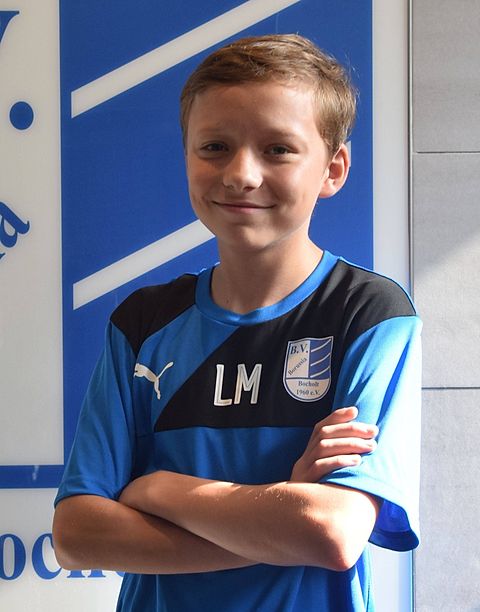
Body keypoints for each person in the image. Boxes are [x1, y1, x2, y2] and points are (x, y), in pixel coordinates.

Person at [52, 34, 421, 611]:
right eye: (215, 147)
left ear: (333, 168)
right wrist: (284, 508)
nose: (241, 174)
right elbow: (77, 535)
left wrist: (159, 489)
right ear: (187, 157)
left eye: (278, 149)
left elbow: (331, 532)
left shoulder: (369, 313)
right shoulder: (142, 323)